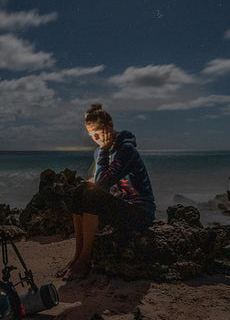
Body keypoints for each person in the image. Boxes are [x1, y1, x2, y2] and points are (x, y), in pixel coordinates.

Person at [57, 103, 156, 280]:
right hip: (121, 206)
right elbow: (97, 181)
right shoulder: (100, 152)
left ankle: (85, 260)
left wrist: (102, 152)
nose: (95, 138)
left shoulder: (126, 150)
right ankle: (78, 256)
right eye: (91, 135)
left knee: (91, 193)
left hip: (140, 212)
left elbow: (102, 184)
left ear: (109, 128)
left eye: (97, 133)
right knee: (79, 190)